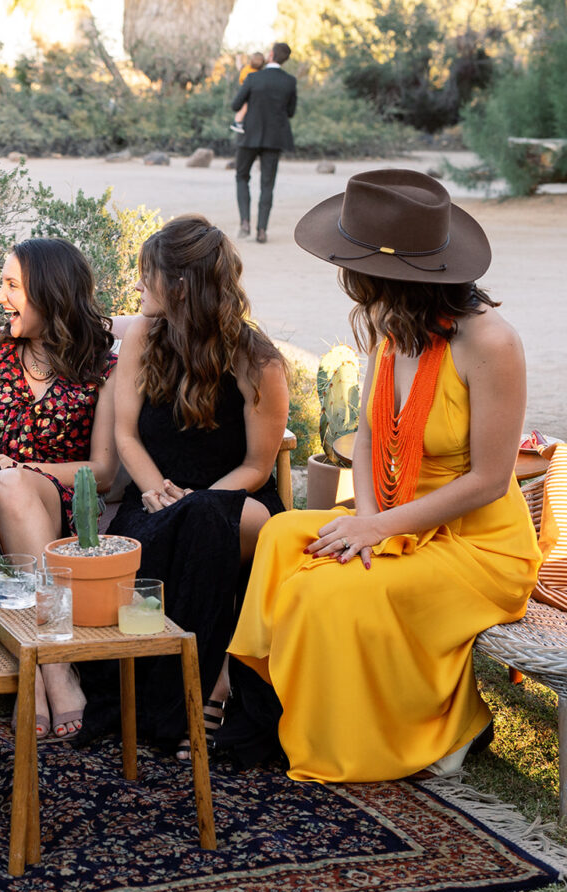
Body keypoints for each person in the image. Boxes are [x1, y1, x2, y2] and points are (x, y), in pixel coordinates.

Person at [226, 169, 539, 781]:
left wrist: (381, 528)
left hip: (479, 546)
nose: (347, 279)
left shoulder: (492, 342)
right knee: (281, 539)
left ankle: (435, 728)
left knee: (323, 591)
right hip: (394, 515)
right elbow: (368, 436)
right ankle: (266, 714)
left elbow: (490, 480)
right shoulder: (395, 328)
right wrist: (370, 521)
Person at [77, 216, 288, 760]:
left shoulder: (255, 359)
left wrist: (199, 501)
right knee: (177, 526)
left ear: (182, 284)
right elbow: (126, 434)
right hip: (156, 498)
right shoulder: (143, 335)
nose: (139, 285)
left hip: (236, 502)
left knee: (203, 524)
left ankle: (212, 680)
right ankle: (171, 696)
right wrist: (153, 491)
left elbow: (258, 466)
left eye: (148, 274)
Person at [0, 238, 117, 741]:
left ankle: (45, 670)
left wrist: (21, 466)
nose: (0, 297)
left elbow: (101, 471)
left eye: (12, 285)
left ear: (51, 292)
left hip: (48, 495)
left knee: (11, 483)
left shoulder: (102, 366)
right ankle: (48, 670)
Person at [232, 42, 296, 244]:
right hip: (274, 138)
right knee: (267, 184)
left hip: (249, 135)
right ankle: (262, 230)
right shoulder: (289, 81)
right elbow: (291, 112)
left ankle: (244, 222)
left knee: (242, 176)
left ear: (270, 55)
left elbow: (235, 104)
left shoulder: (253, 77)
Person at [229, 51, 266, 134]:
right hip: (248, 91)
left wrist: (238, 58)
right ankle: (237, 122)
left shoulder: (246, 68)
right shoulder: (257, 73)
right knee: (245, 107)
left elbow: (239, 66)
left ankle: (238, 122)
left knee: (244, 107)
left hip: (242, 89)